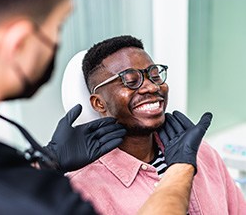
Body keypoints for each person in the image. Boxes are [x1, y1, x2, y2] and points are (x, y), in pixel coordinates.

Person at [0, 0, 212, 214]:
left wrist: (46, 161)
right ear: (20, 42)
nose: (150, 87)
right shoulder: (41, 200)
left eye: (153, 74)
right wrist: (180, 168)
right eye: (57, 27)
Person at [66, 35, 246, 215]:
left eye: (154, 75)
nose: (151, 87)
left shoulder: (202, 154)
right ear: (99, 103)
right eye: (130, 80)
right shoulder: (82, 191)